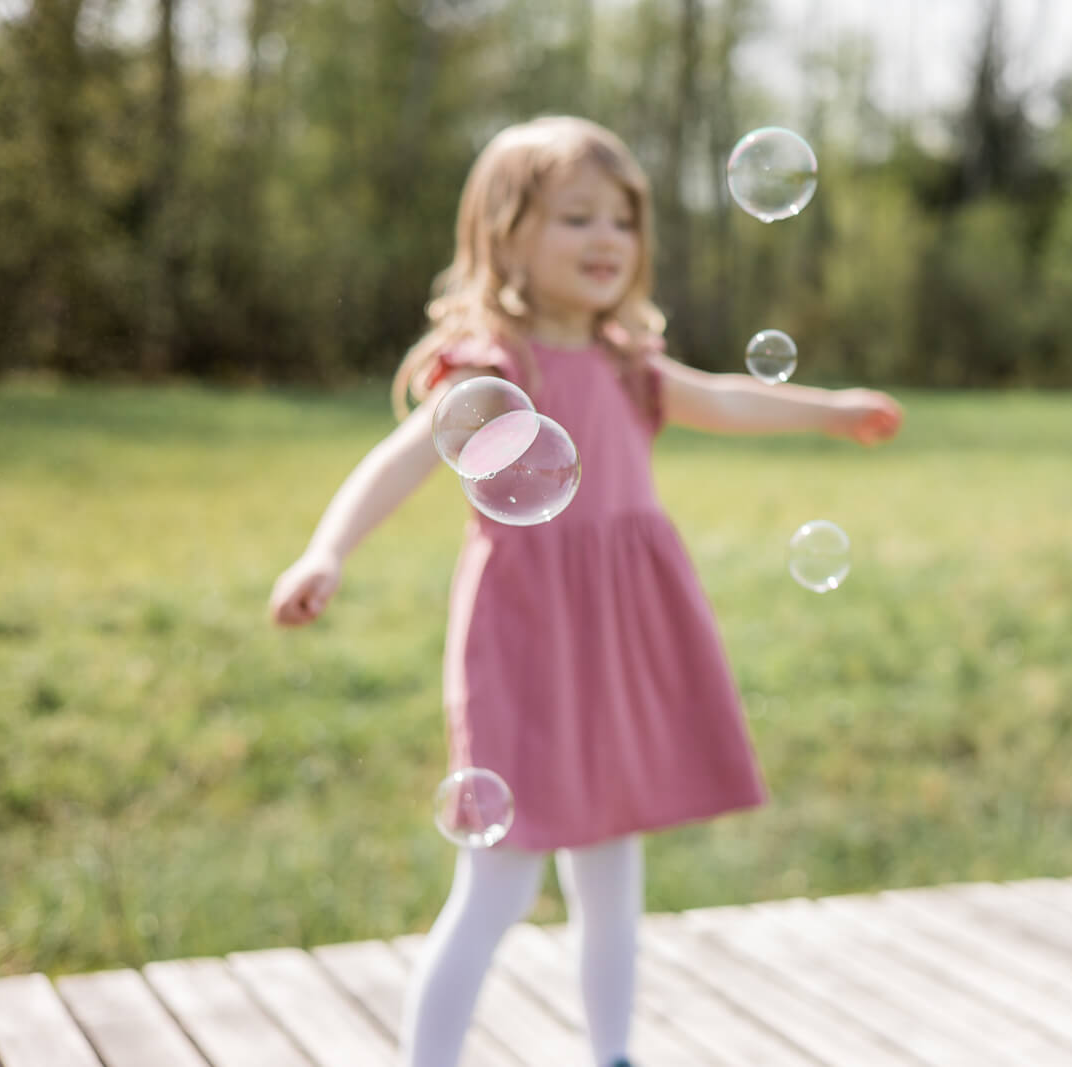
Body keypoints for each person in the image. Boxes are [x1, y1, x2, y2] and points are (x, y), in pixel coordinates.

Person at [266, 115, 904, 1067]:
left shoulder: (624, 360)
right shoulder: (494, 368)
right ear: (505, 233)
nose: (607, 238)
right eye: (576, 217)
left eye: (622, 219)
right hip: (530, 642)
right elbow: (402, 459)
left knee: (613, 866)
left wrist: (832, 411)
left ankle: (611, 1054)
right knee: (498, 885)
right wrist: (327, 551)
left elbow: (727, 397)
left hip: (624, 635)